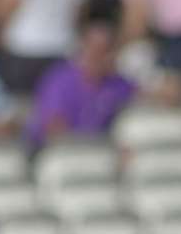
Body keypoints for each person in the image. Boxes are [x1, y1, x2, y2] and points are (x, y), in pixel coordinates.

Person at [23, 17, 138, 148]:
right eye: (95, 50)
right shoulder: (59, 79)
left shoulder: (117, 83)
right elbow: (53, 128)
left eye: (105, 51)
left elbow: (143, 93)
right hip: (57, 153)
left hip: (96, 153)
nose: (99, 57)